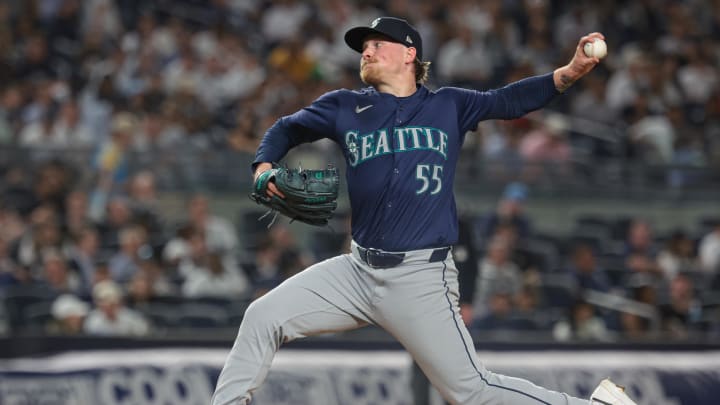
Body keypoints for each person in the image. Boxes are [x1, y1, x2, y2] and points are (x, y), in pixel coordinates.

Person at [212, 17, 636, 405]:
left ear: (410, 53)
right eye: (364, 46)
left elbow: (508, 101)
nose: (367, 51)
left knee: (470, 391)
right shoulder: (344, 106)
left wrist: (569, 73)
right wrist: (264, 164)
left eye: (377, 43)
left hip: (420, 277)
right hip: (356, 271)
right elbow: (287, 127)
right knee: (262, 316)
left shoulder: (448, 105)